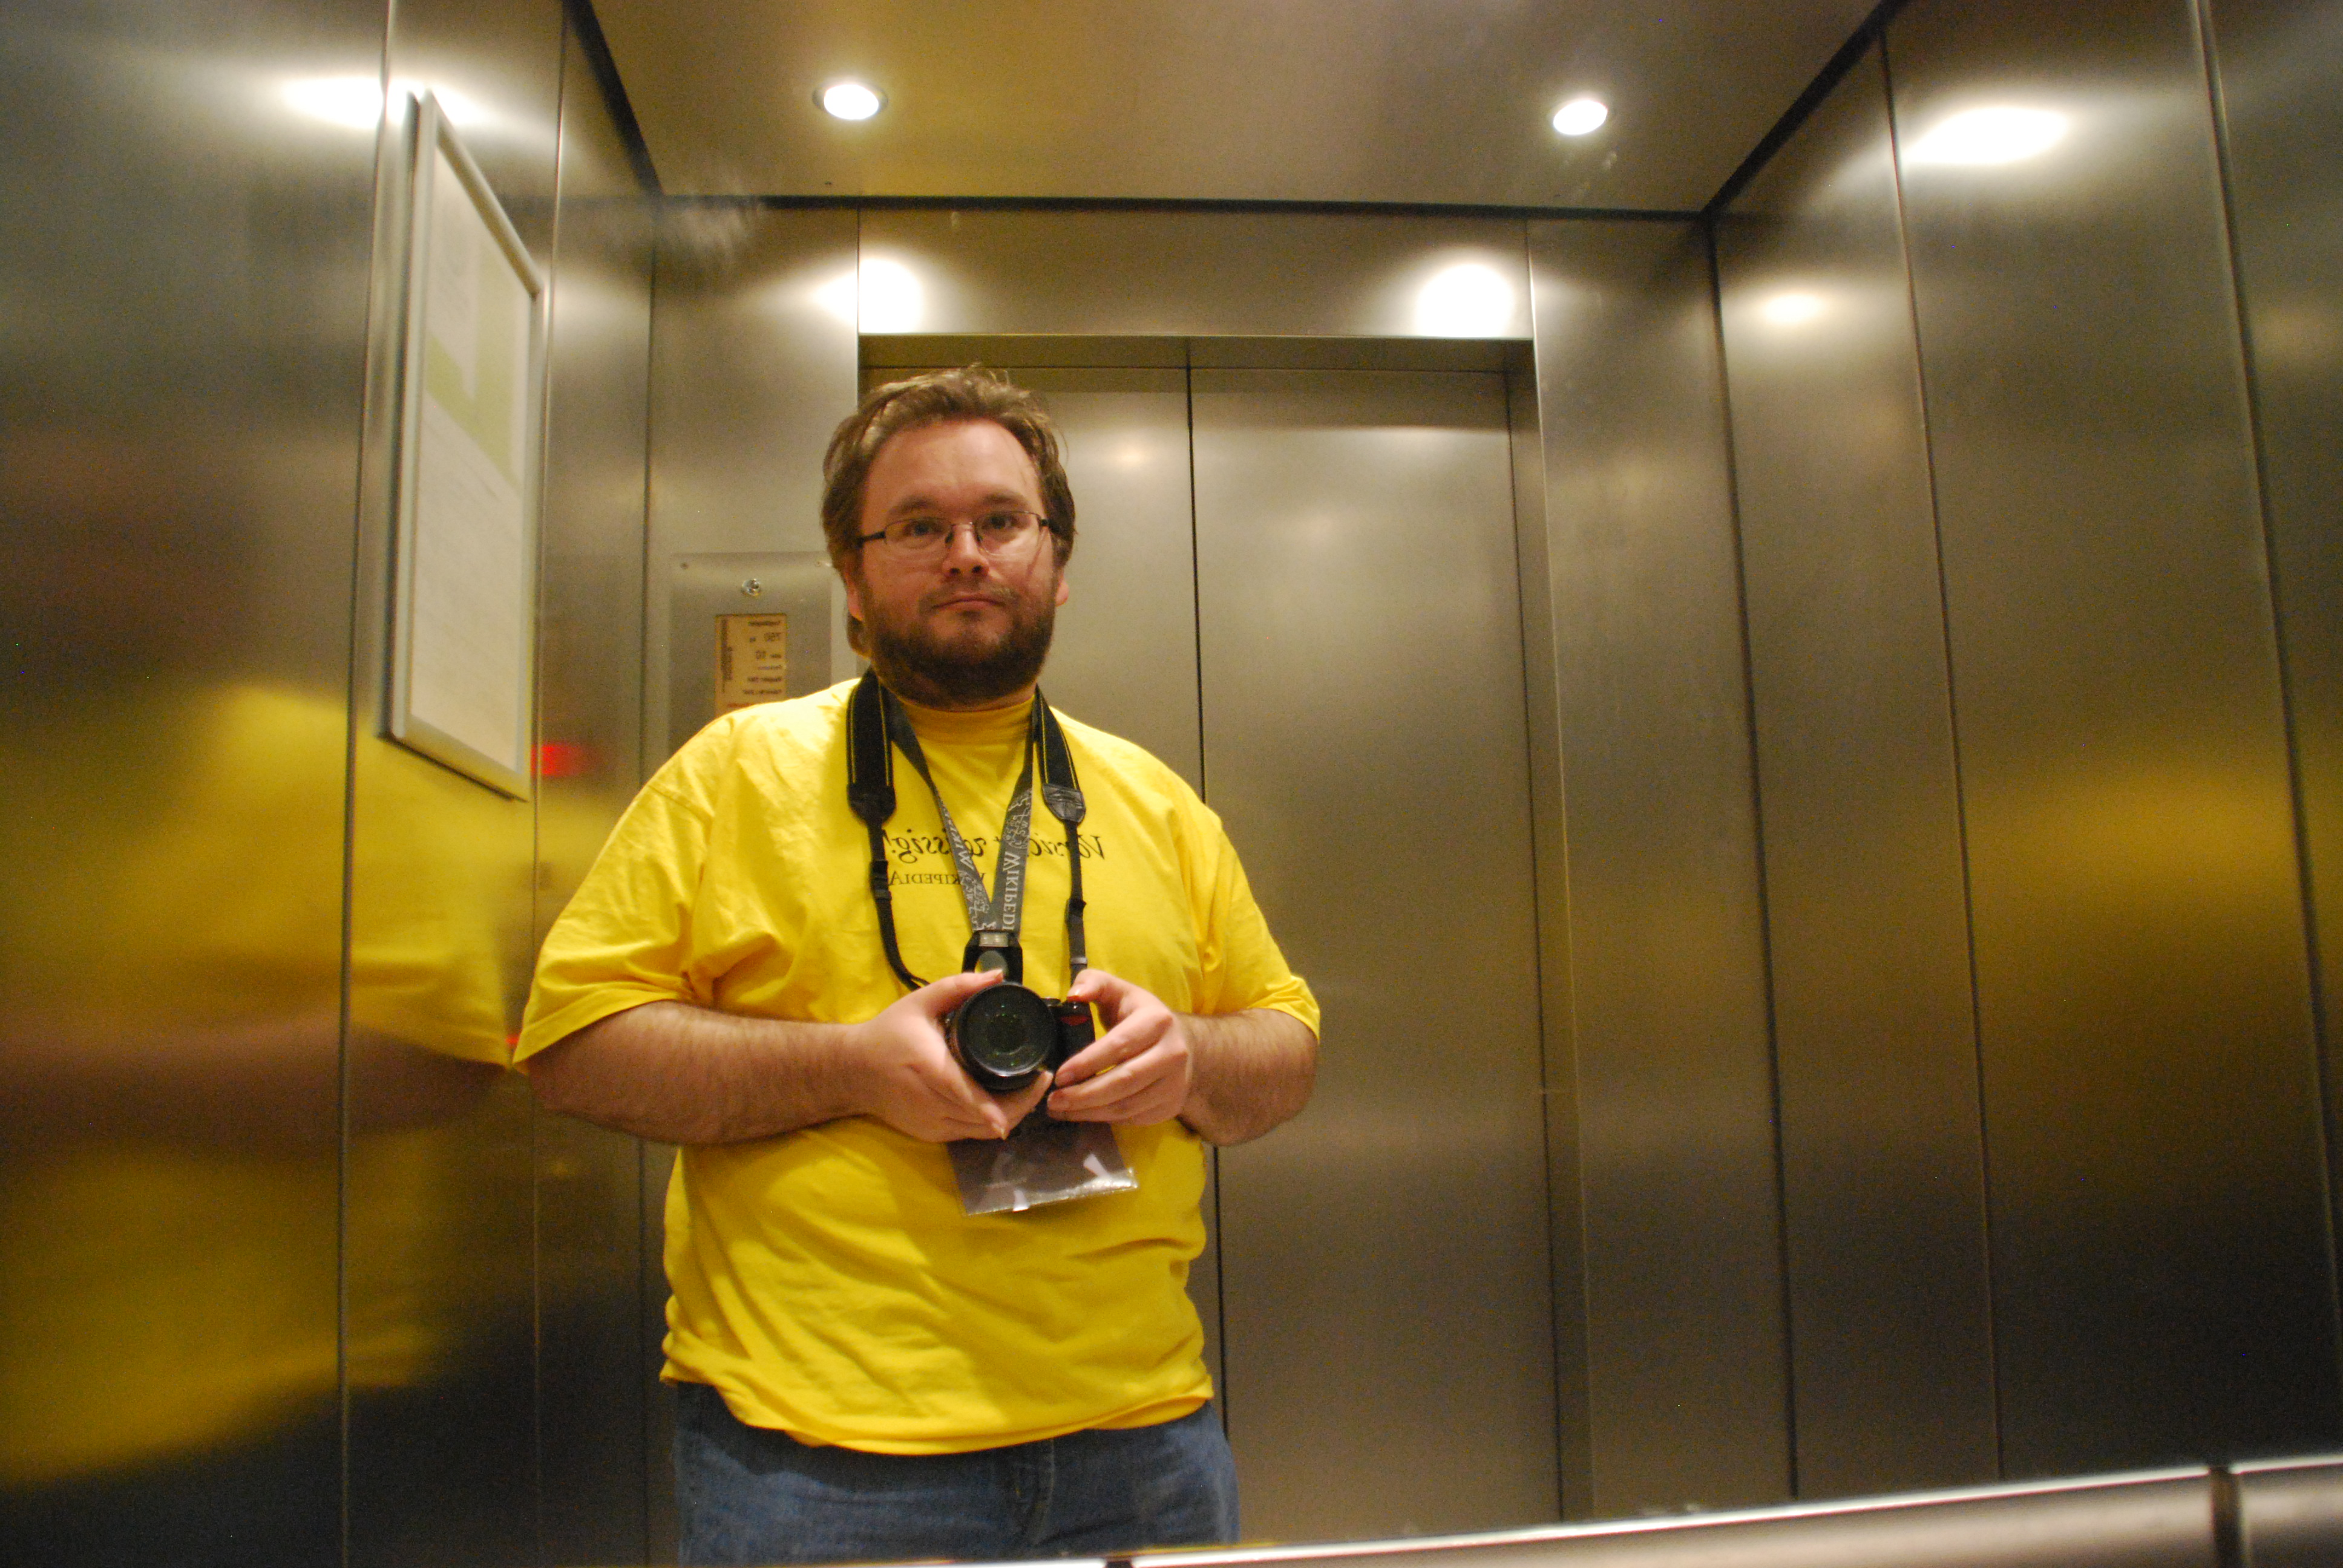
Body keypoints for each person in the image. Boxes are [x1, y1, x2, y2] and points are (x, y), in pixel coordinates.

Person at [517, 367, 1320, 1566]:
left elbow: (1286, 1053)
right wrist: (851, 1069)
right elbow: (573, 1051)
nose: (967, 556)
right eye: (918, 528)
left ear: (1056, 558)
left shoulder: (1155, 799)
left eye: (1002, 521)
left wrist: (1186, 1058)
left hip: (1143, 1447)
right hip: (817, 1460)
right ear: (852, 576)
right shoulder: (734, 773)